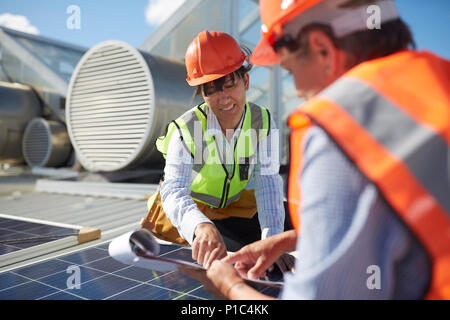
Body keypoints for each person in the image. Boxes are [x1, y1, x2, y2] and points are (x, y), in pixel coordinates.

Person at [180, 0, 450, 299]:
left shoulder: (341, 133)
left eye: (289, 68)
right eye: (209, 88)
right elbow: (402, 217)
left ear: (323, 49)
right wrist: (289, 240)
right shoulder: (437, 85)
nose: (296, 90)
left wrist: (229, 286)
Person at [141, 30, 292, 270]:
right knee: (225, 260)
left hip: (231, 206)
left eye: (228, 84)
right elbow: (174, 191)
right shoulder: (186, 129)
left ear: (246, 81)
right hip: (191, 210)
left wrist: (272, 238)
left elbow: (268, 182)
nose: (222, 98)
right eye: (210, 89)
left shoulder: (262, 122)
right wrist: (199, 225)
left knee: (289, 227)